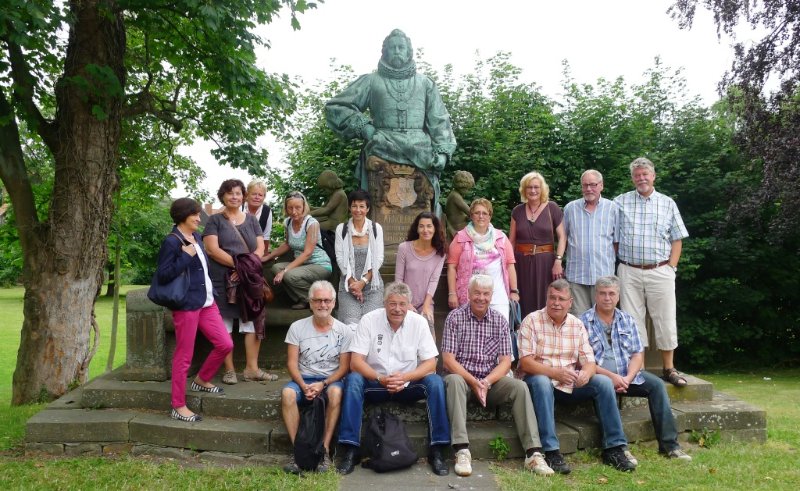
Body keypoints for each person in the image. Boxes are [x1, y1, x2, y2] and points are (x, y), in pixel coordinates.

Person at [325, 29, 457, 213]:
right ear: (384, 51)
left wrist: (442, 153)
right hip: (382, 143)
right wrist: (364, 127)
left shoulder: (426, 83)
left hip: (421, 149)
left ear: (409, 52)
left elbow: (440, 121)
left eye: (401, 47)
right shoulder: (371, 81)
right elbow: (336, 107)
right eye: (392, 47)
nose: (396, 51)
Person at [517, 279, 635, 473]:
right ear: (546, 298)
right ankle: (551, 451)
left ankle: (614, 448)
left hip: (569, 383)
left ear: (570, 302)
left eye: (561, 299)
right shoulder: (532, 320)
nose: (556, 303)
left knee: (603, 382)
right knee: (541, 382)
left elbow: (589, 361)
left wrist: (585, 374)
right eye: (552, 298)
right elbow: (526, 363)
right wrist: (555, 373)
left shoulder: (577, 324)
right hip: (539, 382)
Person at [442, 274, 554, 477]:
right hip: (463, 381)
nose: (481, 298)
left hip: (489, 382)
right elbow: (448, 360)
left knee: (520, 387)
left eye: (486, 294)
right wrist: (473, 382)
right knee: (453, 380)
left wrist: (486, 382)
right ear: (468, 293)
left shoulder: (499, 320)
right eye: (477, 293)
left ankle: (533, 453)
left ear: (492, 295)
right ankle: (461, 450)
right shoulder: (455, 317)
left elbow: (505, 362)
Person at [336, 282, 450, 476]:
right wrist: (380, 378)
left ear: (408, 305)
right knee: (353, 380)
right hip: (376, 383)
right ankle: (350, 449)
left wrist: (405, 377)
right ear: (384, 303)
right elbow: (356, 362)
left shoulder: (419, 322)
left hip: (407, 384)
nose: (397, 309)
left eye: (402, 304)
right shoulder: (369, 320)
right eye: (392, 303)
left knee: (436, 382)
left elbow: (431, 363)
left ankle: (437, 450)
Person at [581, 276, 692, 465]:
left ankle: (670, 445)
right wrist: (612, 377)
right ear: (596, 296)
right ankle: (621, 449)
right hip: (599, 377)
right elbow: (583, 360)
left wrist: (627, 378)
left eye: (611, 293)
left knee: (657, 385)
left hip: (628, 376)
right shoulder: (582, 321)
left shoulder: (627, 319)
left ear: (618, 296)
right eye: (603, 293)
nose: (607, 298)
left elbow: (637, 354)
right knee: (605, 386)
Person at [154, 198, 233, 422]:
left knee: (225, 344)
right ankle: (178, 406)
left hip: (207, 302)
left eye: (199, 214)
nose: (199, 218)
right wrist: (185, 256)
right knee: (184, 356)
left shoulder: (196, 237)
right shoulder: (172, 241)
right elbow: (164, 275)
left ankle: (201, 379)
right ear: (183, 216)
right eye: (195, 215)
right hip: (187, 305)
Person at [614, 157, 690, 386]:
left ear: (653, 176)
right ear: (632, 178)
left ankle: (669, 368)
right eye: (637, 175)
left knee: (665, 318)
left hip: (660, 270)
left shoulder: (667, 203)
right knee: (632, 321)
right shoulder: (620, 202)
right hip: (629, 270)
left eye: (645, 174)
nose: (641, 178)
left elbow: (677, 239)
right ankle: (640, 370)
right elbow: (613, 237)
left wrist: (672, 267)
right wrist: (622, 260)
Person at [203, 179, 274, 385]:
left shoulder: (251, 220)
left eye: (238, 193)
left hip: (249, 280)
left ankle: (252, 369)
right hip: (222, 278)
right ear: (222, 196)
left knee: (252, 321)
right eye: (230, 193)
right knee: (224, 323)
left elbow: (260, 249)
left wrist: (244, 270)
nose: (234, 197)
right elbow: (212, 249)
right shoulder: (214, 220)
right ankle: (229, 370)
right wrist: (239, 267)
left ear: (243, 196)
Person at [281, 280, 352, 474]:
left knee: (336, 393)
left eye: (327, 300)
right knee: (287, 394)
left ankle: (324, 450)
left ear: (334, 303)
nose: (323, 305)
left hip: (331, 380)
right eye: (318, 300)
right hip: (303, 379)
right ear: (310, 303)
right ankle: (299, 450)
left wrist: (324, 383)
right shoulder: (297, 327)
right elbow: (291, 363)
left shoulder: (344, 331)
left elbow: (344, 368)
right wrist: (303, 385)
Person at [447, 198, 519, 322]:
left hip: (498, 296)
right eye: (477, 213)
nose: (481, 216)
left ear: (490, 216)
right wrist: (452, 293)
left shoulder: (501, 238)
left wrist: (514, 291)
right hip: (471, 297)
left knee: (499, 330)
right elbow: (451, 267)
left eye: (485, 213)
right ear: (471, 216)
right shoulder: (461, 238)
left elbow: (510, 265)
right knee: (471, 332)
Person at [509, 171, 566, 318]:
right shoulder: (517, 211)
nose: (533, 190)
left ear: (542, 189)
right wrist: (509, 266)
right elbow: (511, 241)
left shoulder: (552, 208)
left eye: (536, 187)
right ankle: (524, 330)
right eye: (529, 187)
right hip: (521, 263)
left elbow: (562, 237)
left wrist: (558, 261)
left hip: (546, 263)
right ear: (524, 189)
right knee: (524, 299)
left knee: (546, 299)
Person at [263, 192, 332, 310]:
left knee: (289, 274)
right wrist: (268, 257)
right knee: (275, 268)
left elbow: (308, 253)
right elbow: (287, 244)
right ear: (286, 208)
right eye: (290, 208)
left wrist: (285, 270)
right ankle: (304, 298)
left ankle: (315, 298)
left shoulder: (312, 223)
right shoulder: (288, 222)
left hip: (319, 264)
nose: (294, 211)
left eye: (298, 207)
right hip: (301, 265)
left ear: (304, 207)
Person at [562, 170, 618, 315]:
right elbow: (564, 238)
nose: (588, 189)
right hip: (577, 275)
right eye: (585, 185)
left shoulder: (613, 208)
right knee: (578, 319)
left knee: (604, 317)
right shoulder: (570, 208)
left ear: (601, 185)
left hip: (603, 275)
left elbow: (616, 242)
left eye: (593, 185)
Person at [334, 189, 385, 325]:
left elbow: (378, 259)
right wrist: (353, 284)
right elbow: (340, 258)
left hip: (372, 284)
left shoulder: (376, 228)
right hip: (348, 284)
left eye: (362, 206)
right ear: (349, 208)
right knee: (351, 322)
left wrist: (363, 282)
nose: (358, 210)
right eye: (354, 206)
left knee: (372, 323)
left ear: (367, 208)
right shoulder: (342, 229)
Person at [395, 211, 446, 341]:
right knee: (405, 336)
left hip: (426, 302)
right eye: (421, 226)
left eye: (429, 226)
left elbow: (434, 280)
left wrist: (426, 306)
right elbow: (398, 279)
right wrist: (406, 302)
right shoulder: (404, 248)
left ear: (435, 228)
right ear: (417, 228)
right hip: (403, 300)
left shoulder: (440, 253)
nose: (425, 230)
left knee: (429, 335)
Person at [243, 179, 273, 253]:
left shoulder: (267, 211)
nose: (257, 197)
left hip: (256, 251)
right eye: (254, 194)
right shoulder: (240, 207)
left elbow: (266, 236)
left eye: (260, 195)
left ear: (264, 197)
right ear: (247, 195)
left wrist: (264, 255)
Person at [444, 170, 474, 240]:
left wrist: (467, 217)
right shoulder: (455, 196)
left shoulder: (455, 194)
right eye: (467, 189)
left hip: (460, 226)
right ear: (462, 186)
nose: (468, 191)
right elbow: (471, 212)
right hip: (457, 228)